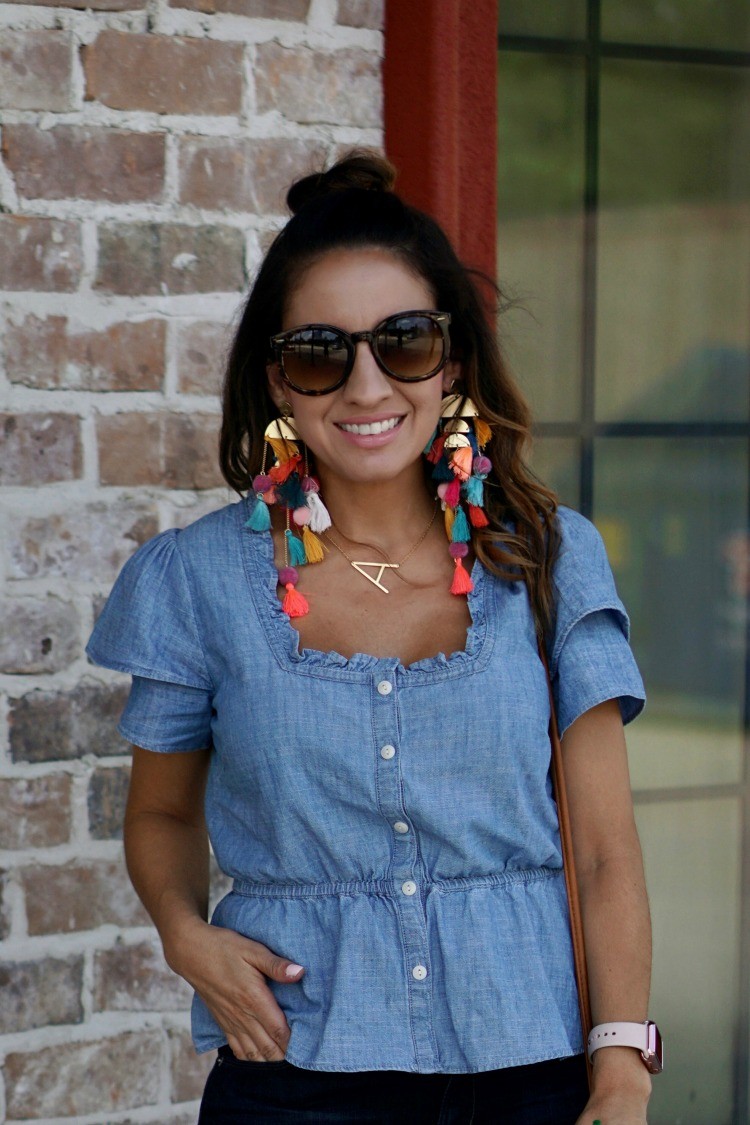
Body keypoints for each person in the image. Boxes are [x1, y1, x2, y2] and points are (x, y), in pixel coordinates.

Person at [87, 151, 656, 1124]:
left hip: (536, 1076)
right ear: (276, 380)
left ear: (453, 362)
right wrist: (185, 935)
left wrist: (622, 1065)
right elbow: (165, 815)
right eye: (319, 351)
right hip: (294, 1076)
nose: (363, 386)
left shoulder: (552, 564)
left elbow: (603, 851)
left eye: (403, 343)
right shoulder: (197, 582)